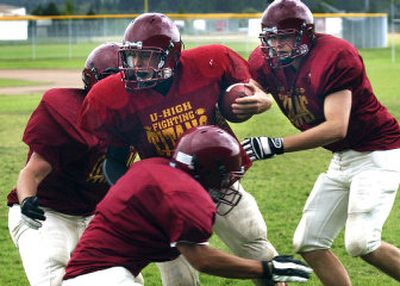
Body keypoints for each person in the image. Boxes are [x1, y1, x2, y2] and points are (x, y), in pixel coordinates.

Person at [79, 12, 281, 286]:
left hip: (218, 181)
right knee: (179, 281)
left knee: (257, 250)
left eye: (146, 57)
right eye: (132, 56)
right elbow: (114, 160)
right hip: (168, 198)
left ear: (171, 55)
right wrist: (138, 195)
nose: (136, 65)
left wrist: (263, 102)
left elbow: (254, 91)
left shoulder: (209, 62)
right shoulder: (111, 96)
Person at [242, 0, 400, 285]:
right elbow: (256, 91)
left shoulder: (334, 55)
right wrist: (261, 100)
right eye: (271, 38)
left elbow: (336, 127)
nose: (277, 46)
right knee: (309, 242)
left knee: (361, 242)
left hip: (377, 151)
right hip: (341, 159)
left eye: (285, 38)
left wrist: (276, 145)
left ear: (305, 34)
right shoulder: (262, 61)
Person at [62, 126, 312, 286]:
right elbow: (202, 260)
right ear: (210, 170)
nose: (228, 182)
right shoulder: (185, 196)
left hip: (88, 276)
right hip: (104, 279)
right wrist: (266, 268)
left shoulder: (152, 167)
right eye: (226, 175)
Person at [7, 42, 138, 286]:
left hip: (93, 216)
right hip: (48, 213)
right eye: (113, 79)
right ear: (92, 82)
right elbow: (32, 172)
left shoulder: (136, 114)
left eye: (125, 78)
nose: (120, 87)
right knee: (53, 282)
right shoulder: (68, 113)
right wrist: (27, 202)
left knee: (125, 279)